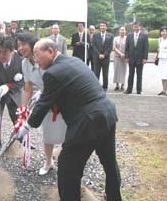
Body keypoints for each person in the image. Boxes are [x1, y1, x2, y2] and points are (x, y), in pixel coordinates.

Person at [17, 38, 122, 201]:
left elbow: (44, 103)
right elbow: (71, 87)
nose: (36, 60)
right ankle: (115, 198)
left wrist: (28, 125)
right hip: (107, 112)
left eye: (38, 55)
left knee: (67, 165)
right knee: (109, 162)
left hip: (88, 120)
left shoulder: (52, 73)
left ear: (50, 51)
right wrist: (45, 93)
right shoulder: (73, 61)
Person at [17, 32, 66, 175]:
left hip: (59, 100)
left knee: (65, 132)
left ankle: (65, 160)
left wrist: (44, 93)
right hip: (45, 102)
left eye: (23, 44)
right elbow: (28, 88)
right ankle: (48, 160)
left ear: (32, 44)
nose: (20, 48)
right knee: (48, 133)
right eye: (18, 45)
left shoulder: (45, 59)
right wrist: (23, 111)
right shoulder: (24, 63)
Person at [124, 21, 149, 95]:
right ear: (133, 27)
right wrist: (126, 56)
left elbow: (146, 47)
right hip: (131, 58)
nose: (136, 28)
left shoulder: (144, 35)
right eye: (134, 26)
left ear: (140, 27)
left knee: (139, 75)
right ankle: (129, 89)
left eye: (137, 26)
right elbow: (127, 47)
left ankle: (139, 90)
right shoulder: (129, 35)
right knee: (130, 74)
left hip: (140, 58)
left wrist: (145, 58)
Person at [92, 21, 114, 91]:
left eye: (103, 26)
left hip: (106, 58)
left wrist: (104, 54)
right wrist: (99, 54)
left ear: (106, 27)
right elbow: (94, 46)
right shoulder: (95, 35)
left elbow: (110, 47)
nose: (102, 27)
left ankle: (105, 87)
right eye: (101, 26)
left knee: (105, 74)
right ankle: (96, 87)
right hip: (97, 58)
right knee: (96, 73)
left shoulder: (110, 36)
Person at [113, 26, 127, 91]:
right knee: (116, 71)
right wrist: (120, 53)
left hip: (124, 57)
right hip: (117, 57)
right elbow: (114, 48)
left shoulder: (127, 38)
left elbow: (128, 47)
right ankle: (117, 85)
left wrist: (124, 55)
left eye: (123, 30)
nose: (122, 31)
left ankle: (122, 85)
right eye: (121, 30)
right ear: (119, 31)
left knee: (123, 71)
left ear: (125, 31)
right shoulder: (116, 38)